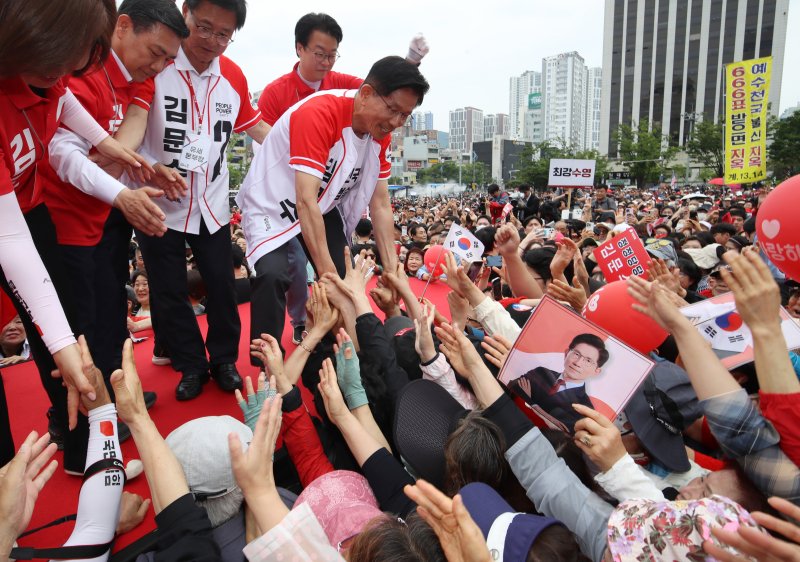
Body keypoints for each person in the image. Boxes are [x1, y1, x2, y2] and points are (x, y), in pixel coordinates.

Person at [0, 0, 153, 471]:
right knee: (60, 334)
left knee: (65, 327)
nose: (70, 70)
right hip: (12, 224)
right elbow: (10, 241)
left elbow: (63, 99)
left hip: (31, 207)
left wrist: (112, 148)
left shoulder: (50, 74)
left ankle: (81, 440)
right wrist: (64, 346)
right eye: (61, 61)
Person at [116, 0, 272, 400]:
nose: (213, 41)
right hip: (158, 202)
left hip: (212, 204)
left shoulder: (233, 76)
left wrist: (299, 147)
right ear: (185, 13)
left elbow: (256, 128)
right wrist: (148, 167)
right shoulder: (159, 65)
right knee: (168, 292)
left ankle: (222, 360)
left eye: (224, 34)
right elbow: (130, 127)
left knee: (222, 287)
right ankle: (191, 366)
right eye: (204, 27)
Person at [40, 0, 189, 399]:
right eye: (156, 53)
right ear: (121, 26)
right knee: (78, 327)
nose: (159, 67)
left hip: (100, 220)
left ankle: (117, 395)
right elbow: (64, 155)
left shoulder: (139, 75)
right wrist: (121, 189)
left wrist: (140, 166)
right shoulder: (78, 70)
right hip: (62, 221)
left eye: (167, 59)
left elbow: (116, 143)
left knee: (109, 314)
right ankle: (80, 423)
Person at [237, 56, 429, 355]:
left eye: (405, 116)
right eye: (393, 110)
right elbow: (304, 198)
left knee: (345, 277)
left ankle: (339, 351)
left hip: (322, 205)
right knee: (274, 275)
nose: (396, 122)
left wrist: (392, 271)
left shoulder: (381, 131)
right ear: (365, 94)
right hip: (276, 204)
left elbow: (380, 203)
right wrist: (329, 279)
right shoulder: (320, 112)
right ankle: (268, 367)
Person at [508, 333, 614, 432]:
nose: (577, 363)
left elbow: (562, 431)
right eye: (576, 354)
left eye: (588, 361)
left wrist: (533, 404)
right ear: (567, 353)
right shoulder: (541, 372)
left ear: (596, 371)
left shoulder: (585, 409)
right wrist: (548, 416)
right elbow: (512, 387)